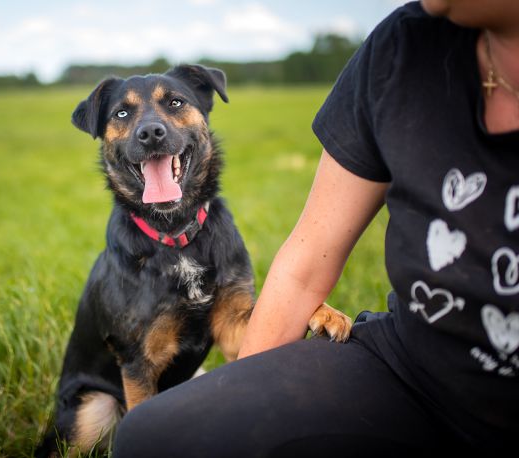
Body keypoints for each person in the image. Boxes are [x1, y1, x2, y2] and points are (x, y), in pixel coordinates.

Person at [112, 0, 519, 455]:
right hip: (414, 370)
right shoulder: (403, 48)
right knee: (150, 437)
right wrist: (238, 410)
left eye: (173, 104)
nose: (151, 126)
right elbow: (306, 263)